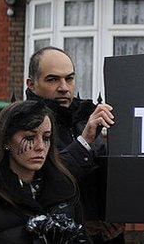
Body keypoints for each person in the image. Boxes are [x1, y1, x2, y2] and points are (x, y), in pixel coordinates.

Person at [0, 100, 90, 244]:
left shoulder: (64, 187)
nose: (40, 146)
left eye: (46, 138)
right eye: (30, 138)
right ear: (7, 140)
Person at [25, 47, 120, 243]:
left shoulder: (84, 117)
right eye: (52, 79)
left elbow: (105, 180)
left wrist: (115, 218)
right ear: (31, 85)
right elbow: (43, 181)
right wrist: (83, 142)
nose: (64, 87)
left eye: (69, 78)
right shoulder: (23, 125)